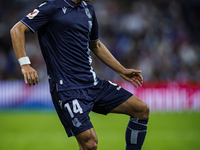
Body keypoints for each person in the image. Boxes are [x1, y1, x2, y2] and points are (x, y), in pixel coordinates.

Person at [10, 0, 149, 149]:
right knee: (89, 143)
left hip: (93, 84)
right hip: (67, 89)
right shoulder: (51, 7)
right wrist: (25, 64)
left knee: (140, 109)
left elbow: (95, 44)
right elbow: (17, 29)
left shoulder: (88, 10)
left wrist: (122, 70)